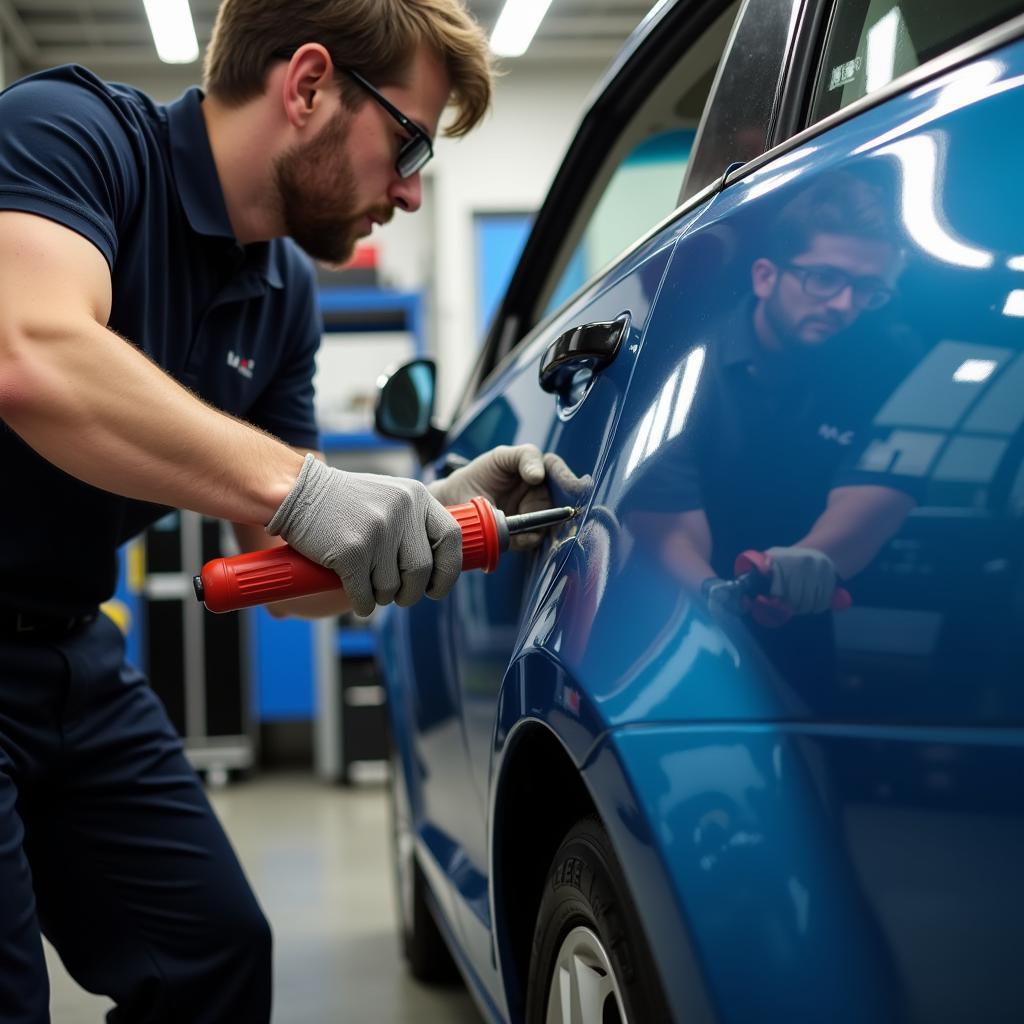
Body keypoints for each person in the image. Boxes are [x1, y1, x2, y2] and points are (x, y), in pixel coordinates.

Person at [0, 2, 551, 1020]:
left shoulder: (281, 290)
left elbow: (286, 565)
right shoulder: (68, 134)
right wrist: (304, 487)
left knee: (213, 952)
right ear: (306, 86)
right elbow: (29, 355)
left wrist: (420, 512)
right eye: (409, 140)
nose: (412, 191)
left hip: (70, 650)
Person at [627, 171, 922, 683]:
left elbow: (877, 494)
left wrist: (812, 559)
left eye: (867, 289)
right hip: (678, 614)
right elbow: (669, 523)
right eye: (825, 278)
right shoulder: (686, 362)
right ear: (766, 276)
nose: (843, 305)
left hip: (807, 602)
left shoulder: (889, 362)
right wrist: (720, 599)